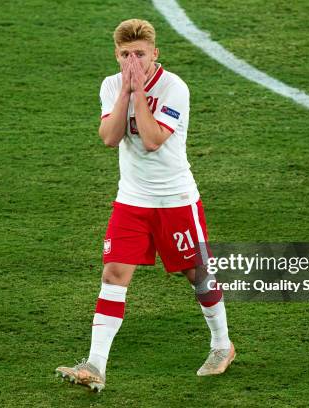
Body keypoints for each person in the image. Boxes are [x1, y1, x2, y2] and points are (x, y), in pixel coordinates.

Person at [56, 19, 234, 392]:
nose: (133, 60)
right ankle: (95, 365)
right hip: (132, 202)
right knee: (113, 275)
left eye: (139, 53)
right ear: (116, 56)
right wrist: (125, 91)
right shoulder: (110, 85)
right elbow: (109, 137)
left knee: (198, 276)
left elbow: (153, 140)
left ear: (155, 53)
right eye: (125, 55)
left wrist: (139, 94)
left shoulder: (174, 87)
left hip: (176, 202)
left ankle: (222, 345)